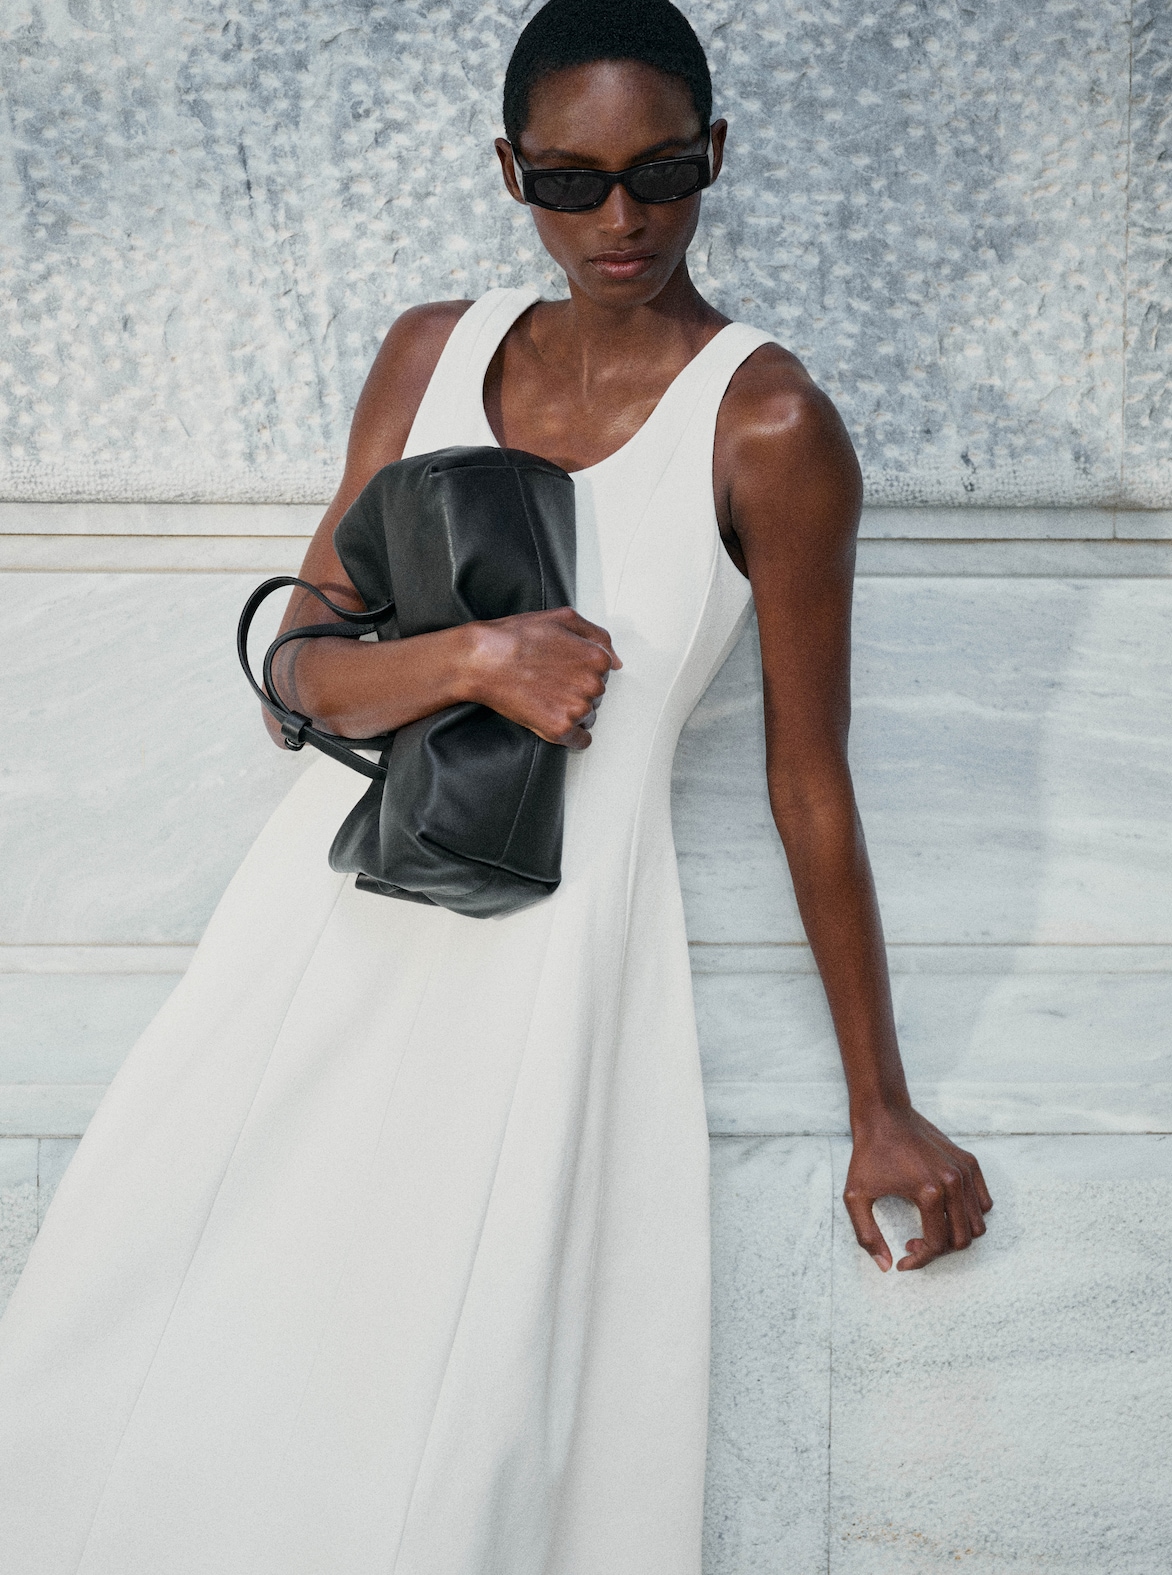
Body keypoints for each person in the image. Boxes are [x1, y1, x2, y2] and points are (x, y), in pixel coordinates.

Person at [0, 2, 991, 1570]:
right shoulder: (430, 354)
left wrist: (882, 1104)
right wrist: (471, 661)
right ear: (509, 172)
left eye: (662, 169)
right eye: (570, 179)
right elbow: (295, 676)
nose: (621, 219)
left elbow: (813, 782)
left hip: (555, 967)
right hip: (321, 938)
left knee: (467, 1444)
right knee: (145, 1360)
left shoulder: (773, 424)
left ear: (717, 154)